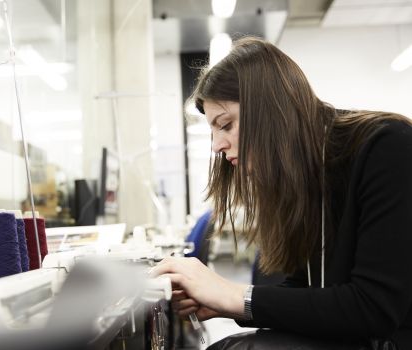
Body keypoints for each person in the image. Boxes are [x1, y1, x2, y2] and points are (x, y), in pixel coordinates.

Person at [151, 36, 412, 349]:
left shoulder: (387, 146)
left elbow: (373, 308)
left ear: (270, 108)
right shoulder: (306, 176)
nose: (217, 146)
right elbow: (305, 288)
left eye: (226, 124)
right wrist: (227, 302)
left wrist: (234, 296)